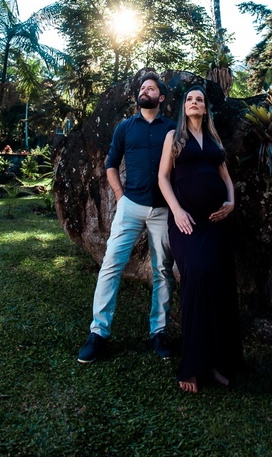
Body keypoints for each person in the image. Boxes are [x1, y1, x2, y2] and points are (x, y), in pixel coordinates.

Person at [78, 73, 176, 364]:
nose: (145, 90)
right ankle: (98, 333)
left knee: (163, 270)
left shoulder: (172, 129)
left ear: (161, 98)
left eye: (151, 88)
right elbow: (110, 164)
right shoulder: (125, 127)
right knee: (111, 266)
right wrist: (120, 196)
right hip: (130, 205)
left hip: (162, 210)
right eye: (142, 87)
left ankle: (158, 332)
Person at [157, 85, 242, 393]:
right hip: (187, 223)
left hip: (217, 223)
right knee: (195, 278)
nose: (194, 103)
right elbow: (163, 177)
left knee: (219, 286)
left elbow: (226, 178)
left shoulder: (215, 139)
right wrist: (177, 211)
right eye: (190, 99)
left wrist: (231, 202)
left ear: (206, 108)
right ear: (184, 107)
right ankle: (192, 365)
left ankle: (218, 362)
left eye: (200, 100)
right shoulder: (174, 138)